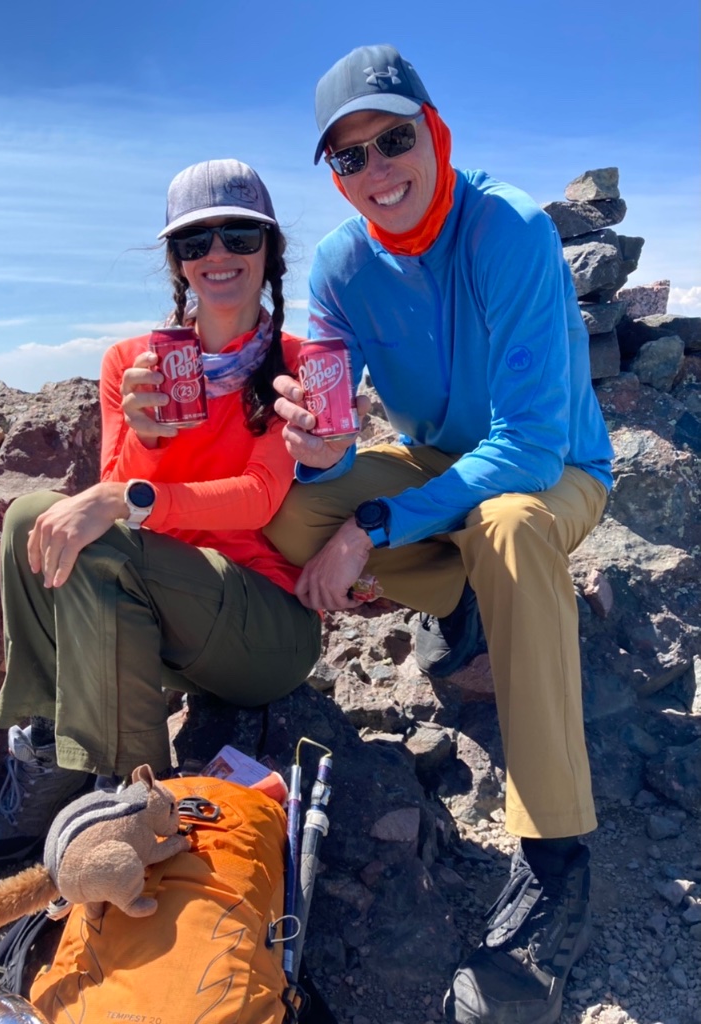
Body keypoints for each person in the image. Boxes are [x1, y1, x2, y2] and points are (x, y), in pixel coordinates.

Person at [265, 44, 614, 1024]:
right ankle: (467, 607)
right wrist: (322, 454)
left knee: (503, 526)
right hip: (439, 474)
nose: (377, 171)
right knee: (297, 515)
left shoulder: (506, 230)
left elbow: (530, 444)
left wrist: (375, 525)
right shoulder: (337, 270)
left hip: (555, 473)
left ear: (433, 128)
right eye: (349, 158)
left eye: (392, 139)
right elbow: (328, 455)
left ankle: (554, 867)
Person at [0, 158, 321, 865]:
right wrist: (148, 437)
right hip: (165, 622)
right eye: (196, 243)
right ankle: (53, 754)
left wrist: (137, 496)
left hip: (265, 628)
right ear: (178, 264)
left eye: (239, 236)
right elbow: (109, 496)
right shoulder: (130, 362)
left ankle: (132, 799)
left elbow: (258, 495)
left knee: (100, 539)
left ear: (270, 252)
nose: (218, 255)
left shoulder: (301, 363)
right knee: (27, 521)